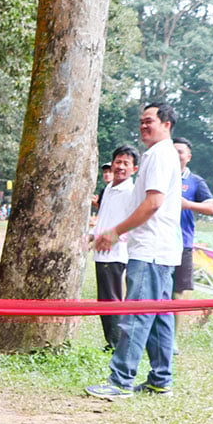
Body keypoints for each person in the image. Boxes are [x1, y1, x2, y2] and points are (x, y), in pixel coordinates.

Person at [87, 103, 183, 399]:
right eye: (141, 121)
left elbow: (153, 203)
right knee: (158, 316)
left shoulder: (158, 155)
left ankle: (120, 380)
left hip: (151, 249)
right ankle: (160, 379)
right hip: (161, 249)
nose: (143, 126)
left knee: (137, 314)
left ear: (166, 123)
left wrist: (116, 232)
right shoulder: (161, 155)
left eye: (149, 121)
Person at [90, 145, 139, 351]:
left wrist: (115, 237)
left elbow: (134, 221)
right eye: (117, 162)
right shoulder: (109, 188)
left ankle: (116, 343)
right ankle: (112, 340)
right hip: (100, 250)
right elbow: (104, 217)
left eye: (125, 163)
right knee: (104, 298)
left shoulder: (132, 191)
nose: (120, 167)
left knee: (111, 298)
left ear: (134, 169)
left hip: (116, 252)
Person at [171, 137, 213, 316]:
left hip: (182, 244)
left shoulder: (195, 181)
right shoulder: (161, 177)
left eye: (180, 152)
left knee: (176, 294)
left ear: (188, 156)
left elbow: (212, 208)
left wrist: (188, 204)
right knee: (155, 293)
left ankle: (170, 341)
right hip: (159, 243)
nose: (176, 155)